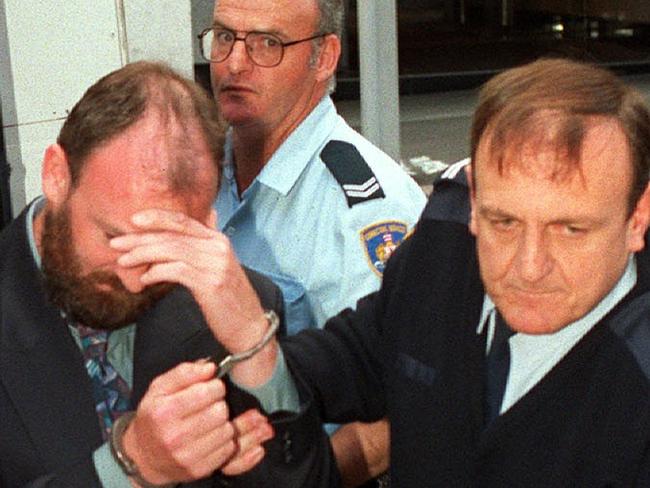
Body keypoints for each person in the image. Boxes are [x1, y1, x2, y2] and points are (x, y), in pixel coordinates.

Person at [178, 58, 650, 486]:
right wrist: (245, 355)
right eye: (503, 222)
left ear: (638, 218)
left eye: (569, 229)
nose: (529, 267)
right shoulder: (442, 256)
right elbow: (351, 360)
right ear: (473, 203)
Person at [0, 61, 331, 487]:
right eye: (116, 238)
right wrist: (128, 466)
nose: (136, 281)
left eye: (162, 248)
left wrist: (255, 347)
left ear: (208, 223)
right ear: (57, 175)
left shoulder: (238, 306)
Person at [201, 0, 426, 482]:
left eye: (268, 44)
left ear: (323, 57)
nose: (235, 63)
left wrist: (298, 479)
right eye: (224, 37)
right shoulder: (198, 170)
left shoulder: (366, 209)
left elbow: (404, 411)